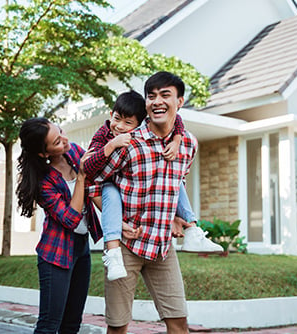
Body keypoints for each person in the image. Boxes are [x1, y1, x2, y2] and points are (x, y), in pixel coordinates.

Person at [90, 71, 202, 333]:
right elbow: (95, 180)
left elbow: (178, 181)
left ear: (180, 101)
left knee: (178, 322)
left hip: (162, 245)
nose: (157, 101)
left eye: (165, 95)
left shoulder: (188, 143)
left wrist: (176, 215)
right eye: (151, 96)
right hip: (126, 245)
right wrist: (114, 222)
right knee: (117, 326)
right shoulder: (129, 143)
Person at [84, 90, 222, 281]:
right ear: (111, 115)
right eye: (117, 119)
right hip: (107, 185)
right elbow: (88, 170)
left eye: (128, 123)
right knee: (112, 194)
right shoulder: (104, 133)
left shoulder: (139, 138)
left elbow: (178, 120)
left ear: (140, 124)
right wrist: (112, 144)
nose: (120, 126)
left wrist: (177, 138)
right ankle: (113, 254)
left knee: (176, 179)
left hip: (145, 217)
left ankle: (192, 229)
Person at [15, 117, 103, 334]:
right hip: (56, 254)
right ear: (44, 154)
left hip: (81, 248)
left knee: (72, 324)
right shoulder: (44, 182)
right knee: (48, 326)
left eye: (60, 132)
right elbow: (71, 219)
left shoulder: (73, 151)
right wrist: (81, 177)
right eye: (56, 142)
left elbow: (99, 176)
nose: (65, 140)